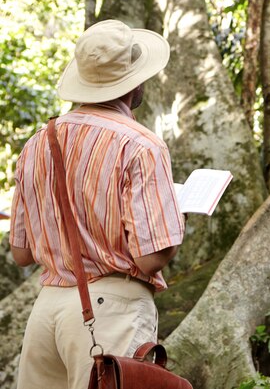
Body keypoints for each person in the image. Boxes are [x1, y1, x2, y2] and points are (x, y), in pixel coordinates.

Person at [9, 19, 185, 389]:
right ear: (134, 81)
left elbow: (21, 254)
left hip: (47, 310)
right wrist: (174, 214)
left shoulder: (38, 144)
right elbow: (150, 258)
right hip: (110, 309)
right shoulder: (141, 145)